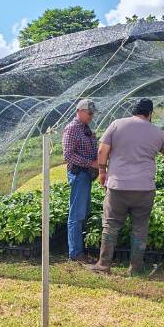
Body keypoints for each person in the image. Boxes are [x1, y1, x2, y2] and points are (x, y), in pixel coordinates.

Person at [85, 98, 164, 276]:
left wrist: (102, 172)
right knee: (140, 226)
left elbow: (102, 151)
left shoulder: (117, 125)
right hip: (144, 188)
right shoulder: (157, 132)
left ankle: (103, 265)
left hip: (118, 186)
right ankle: (136, 267)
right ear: (150, 114)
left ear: (133, 111)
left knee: (111, 225)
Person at [62, 99, 99, 264]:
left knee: (82, 212)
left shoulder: (85, 129)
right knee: (76, 214)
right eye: (89, 113)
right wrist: (91, 163)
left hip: (86, 175)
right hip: (79, 175)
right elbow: (68, 155)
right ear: (79, 111)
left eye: (92, 113)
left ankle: (79, 250)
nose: (91, 116)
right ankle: (75, 253)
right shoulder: (71, 129)